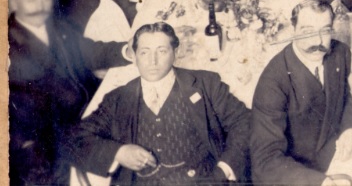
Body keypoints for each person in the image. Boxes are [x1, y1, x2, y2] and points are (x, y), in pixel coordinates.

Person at [70, 23, 251, 184]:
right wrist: (118, 152)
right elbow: (74, 139)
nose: (153, 61)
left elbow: (245, 121)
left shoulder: (205, 84)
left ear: (176, 53)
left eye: (162, 51)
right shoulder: (118, 98)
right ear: (134, 56)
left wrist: (223, 169)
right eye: (144, 52)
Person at [9, 0, 111, 186]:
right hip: (41, 141)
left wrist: (129, 50)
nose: (40, 7)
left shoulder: (58, 27)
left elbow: (91, 51)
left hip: (80, 118)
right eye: (31, 0)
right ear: (14, 2)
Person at [251, 0, 352, 185]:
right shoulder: (272, 82)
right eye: (307, 32)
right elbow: (266, 161)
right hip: (298, 176)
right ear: (293, 30)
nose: (317, 41)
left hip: (336, 155)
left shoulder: (340, 53)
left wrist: (349, 126)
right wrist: (319, 182)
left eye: (325, 31)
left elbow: (344, 94)